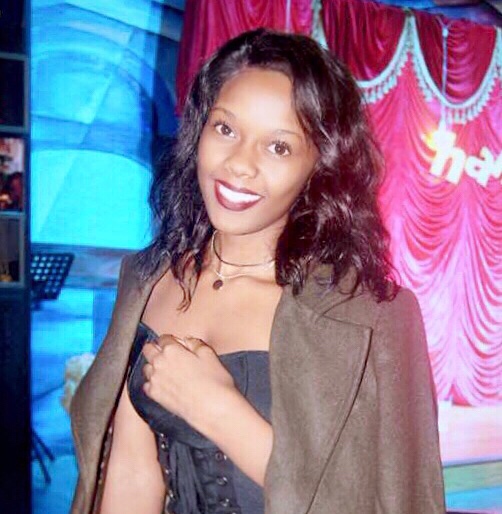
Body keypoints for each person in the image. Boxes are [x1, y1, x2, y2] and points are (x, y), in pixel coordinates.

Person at [70, 28, 445, 514]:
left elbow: (392, 501)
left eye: (279, 147)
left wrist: (217, 409)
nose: (239, 165)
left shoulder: (371, 317)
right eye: (226, 129)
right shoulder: (148, 280)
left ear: (320, 164)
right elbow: (130, 473)